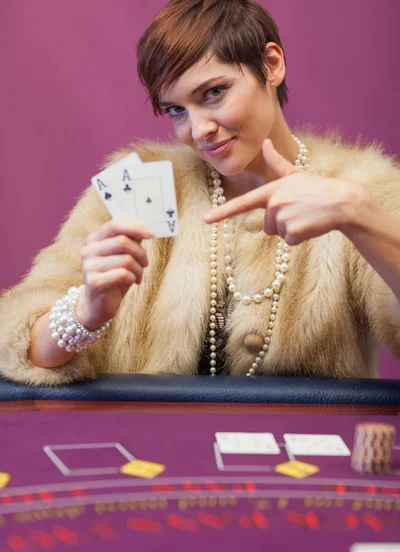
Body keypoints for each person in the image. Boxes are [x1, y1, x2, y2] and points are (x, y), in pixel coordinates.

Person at [0, 0, 399, 385]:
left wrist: (361, 214)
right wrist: (85, 312)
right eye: (177, 110)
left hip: (300, 452)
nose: (198, 129)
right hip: (150, 448)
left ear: (272, 65)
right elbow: (20, 346)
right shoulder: (137, 186)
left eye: (214, 92)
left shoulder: (359, 188)